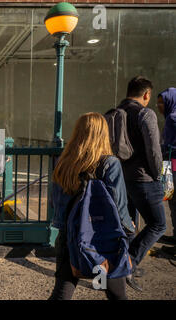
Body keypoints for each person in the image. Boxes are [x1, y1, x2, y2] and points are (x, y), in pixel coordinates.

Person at [49, 112, 135, 300]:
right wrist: (129, 231)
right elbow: (118, 205)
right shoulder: (110, 164)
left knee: (62, 292)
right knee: (115, 294)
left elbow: (56, 204)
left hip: (69, 238)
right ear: (103, 134)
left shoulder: (63, 162)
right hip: (102, 241)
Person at [115, 76, 166, 292]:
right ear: (146, 94)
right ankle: (129, 263)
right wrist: (159, 176)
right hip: (144, 179)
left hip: (122, 178)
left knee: (128, 226)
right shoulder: (146, 114)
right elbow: (154, 151)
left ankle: (122, 265)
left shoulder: (116, 113)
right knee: (158, 224)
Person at [157, 87, 176, 246]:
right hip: (169, 164)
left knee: (172, 198)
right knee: (170, 199)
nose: (159, 106)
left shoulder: (173, 118)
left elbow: (167, 144)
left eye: (162, 102)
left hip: (171, 165)